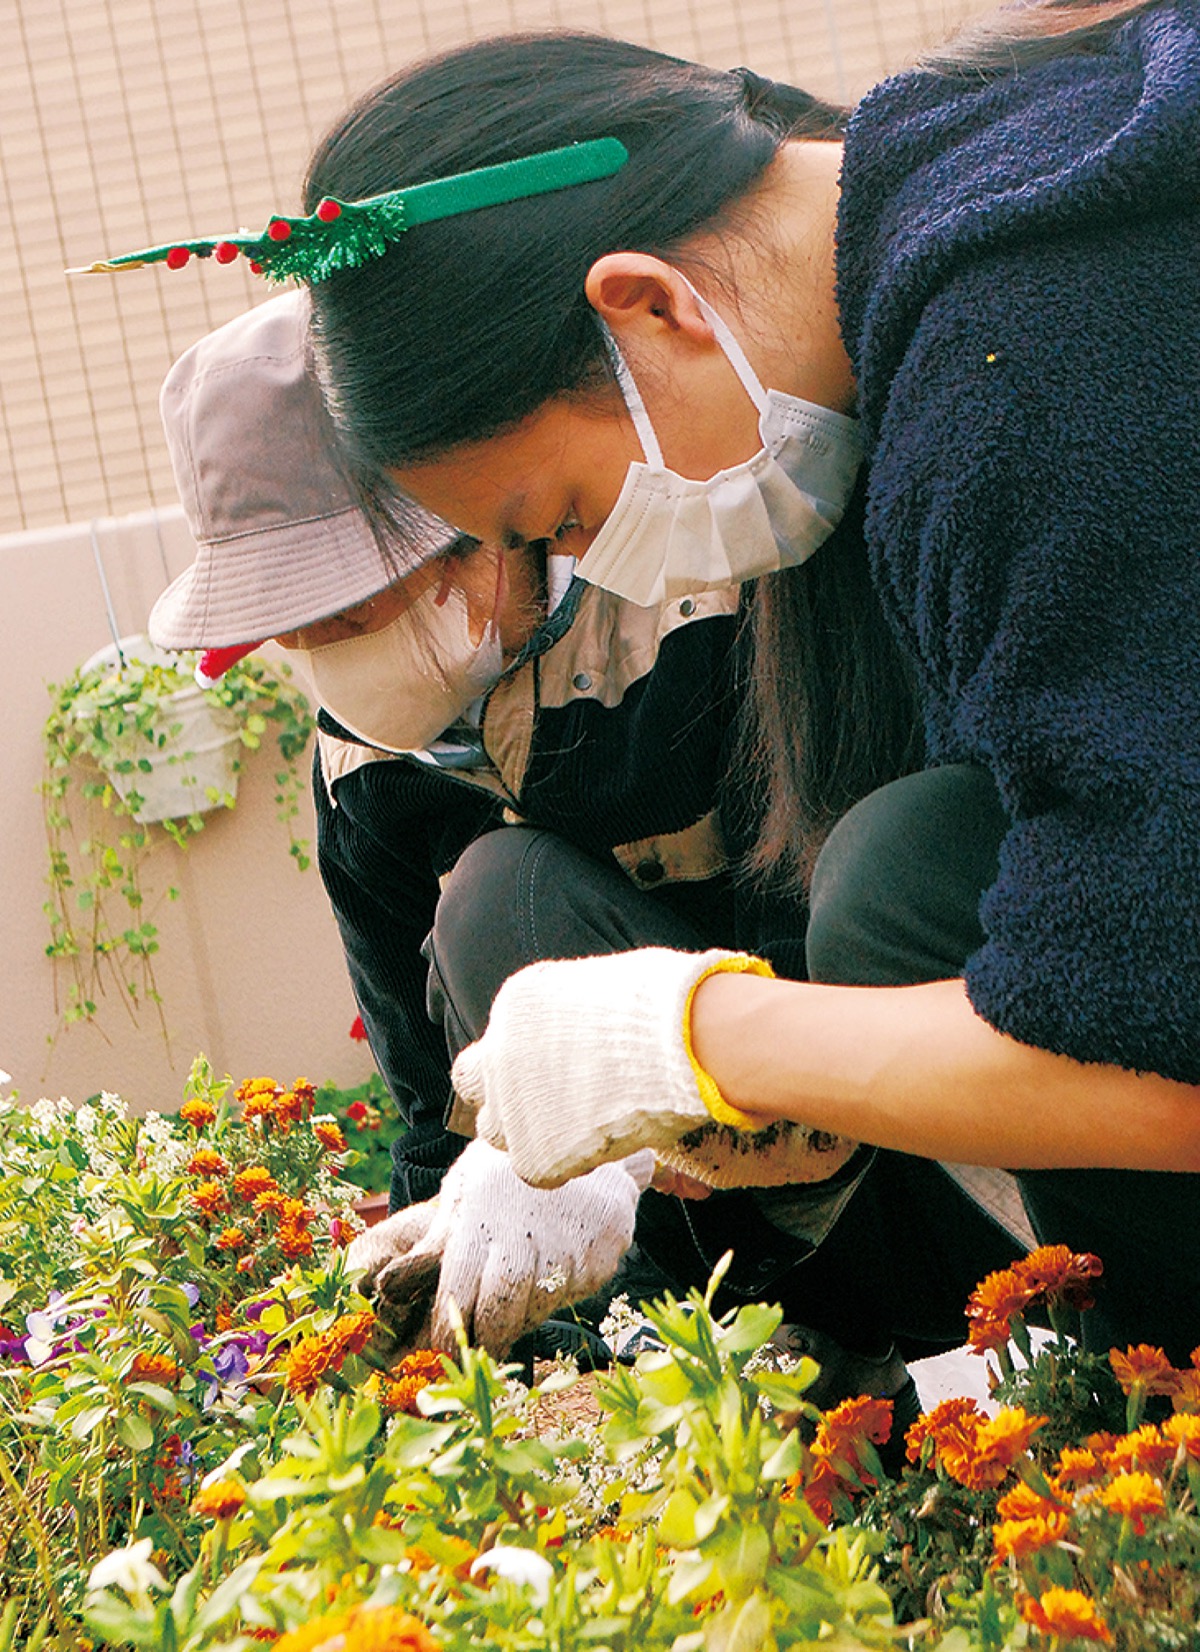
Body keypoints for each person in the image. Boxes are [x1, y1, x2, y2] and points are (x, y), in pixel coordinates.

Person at [297, 0, 1200, 1361]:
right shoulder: (957, 241)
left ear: (648, 303)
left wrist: (692, 1037)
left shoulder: (1022, 365)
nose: (604, 573)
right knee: (919, 865)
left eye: (560, 520)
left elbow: (1166, 1034)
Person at [148, 290, 978, 1395]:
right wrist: (442, 1298)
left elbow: (841, 895)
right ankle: (776, 1379)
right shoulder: (367, 771)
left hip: (912, 1124)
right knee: (500, 897)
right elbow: (433, 1094)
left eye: (349, 607)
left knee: (512, 894)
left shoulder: (697, 600)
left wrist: (634, 1099)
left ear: (464, 509)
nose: (330, 654)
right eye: (293, 631)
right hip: (717, 1259)